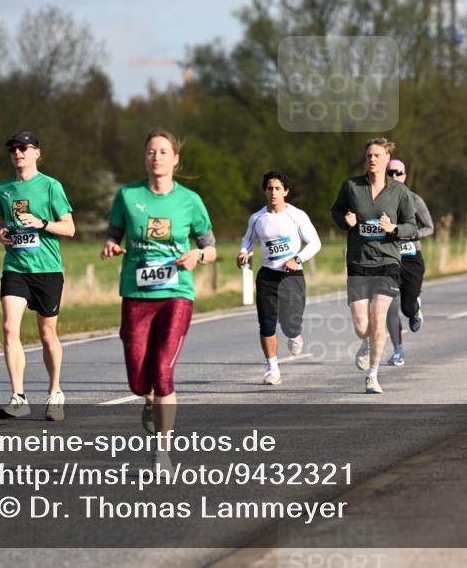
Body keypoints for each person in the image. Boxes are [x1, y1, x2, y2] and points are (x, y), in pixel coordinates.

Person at [102, 129, 217, 470]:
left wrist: (198, 255)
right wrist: (111, 244)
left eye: (164, 151)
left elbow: (210, 247)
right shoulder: (127, 196)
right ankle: (148, 400)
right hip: (136, 295)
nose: (157, 157)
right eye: (151, 152)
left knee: (163, 369)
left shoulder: (190, 201)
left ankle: (162, 451)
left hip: (176, 294)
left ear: (175, 159)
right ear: (145, 158)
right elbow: (113, 232)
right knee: (139, 380)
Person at [0, 131, 75, 421]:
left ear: (37, 153)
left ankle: (55, 392)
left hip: (48, 269)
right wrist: (1, 231)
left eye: (24, 148)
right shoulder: (3, 189)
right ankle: (19, 397)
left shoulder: (51, 187)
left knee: (47, 334)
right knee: (8, 328)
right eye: (13, 148)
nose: (18, 153)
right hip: (16, 267)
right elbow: (0, 217)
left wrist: (41, 223)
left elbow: (70, 228)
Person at [331, 138, 417, 394]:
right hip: (358, 261)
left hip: (388, 262)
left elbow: (412, 226)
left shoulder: (400, 192)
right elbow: (335, 212)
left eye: (377, 155)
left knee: (378, 318)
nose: (372, 159)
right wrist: (345, 221)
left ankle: (373, 374)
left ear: (387, 158)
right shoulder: (352, 186)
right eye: (369, 155)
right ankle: (367, 343)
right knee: (361, 325)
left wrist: (394, 229)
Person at [237, 171, 321, 385]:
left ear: (286, 191)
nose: (273, 192)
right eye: (269, 188)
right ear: (264, 191)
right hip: (267, 276)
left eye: (277, 188)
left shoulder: (297, 215)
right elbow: (249, 241)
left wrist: (298, 259)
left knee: (290, 325)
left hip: (292, 275)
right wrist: (244, 253)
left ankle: (294, 334)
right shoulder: (257, 218)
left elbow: (315, 243)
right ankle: (272, 368)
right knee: (266, 323)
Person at [384, 159, 434, 366]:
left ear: (405, 176)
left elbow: (430, 227)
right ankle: (398, 350)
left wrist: (411, 234)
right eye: (390, 173)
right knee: (390, 305)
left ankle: (415, 308)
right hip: (388, 258)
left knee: (406, 307)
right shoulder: (379, 201)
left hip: (412, 258)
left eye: (398, 173)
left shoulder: (414, 199)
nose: (394, 177)